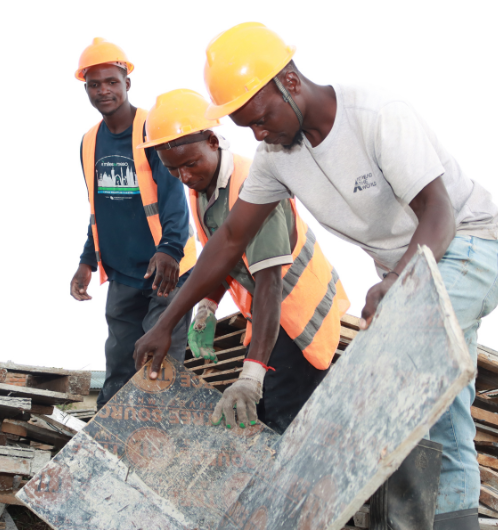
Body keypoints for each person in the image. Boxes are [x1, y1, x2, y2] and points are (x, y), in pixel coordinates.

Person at [134, 23, 498, 530]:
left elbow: (439, 211)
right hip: (409, 271)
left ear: (289, 82)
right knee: (442, 410)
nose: (258, 135)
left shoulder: (375, 115)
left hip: (470, 245)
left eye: (261, 118)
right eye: (247, 127)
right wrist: (168, 322)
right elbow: (227, 244)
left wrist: (398, 281)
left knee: (390, 377)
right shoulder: (275, 159)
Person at [137, 89, 349, 434]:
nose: (185, 177)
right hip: (269, 317)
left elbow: (270, 283)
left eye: (190, 164)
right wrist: (206, 306)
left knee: (282, 426)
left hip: (296, 316)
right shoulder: (203, 191)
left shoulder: (254, 188)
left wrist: (252, 375)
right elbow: (220, 259)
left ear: (212, 140)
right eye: (173, 170)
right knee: (264, 423)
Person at [70, 38, 197, 409]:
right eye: (94, 85)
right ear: (86, 89)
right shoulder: (89, 142)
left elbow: (174, 197)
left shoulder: (151, 129)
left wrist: (171, 249)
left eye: (111, 81)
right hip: (124, 275)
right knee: (119, 373)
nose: (103, 91)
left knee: (160, 367)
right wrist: (87, 261)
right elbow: (99, 209)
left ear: (127, 83)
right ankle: (111, 451)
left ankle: (163, 453)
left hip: (167, 271)